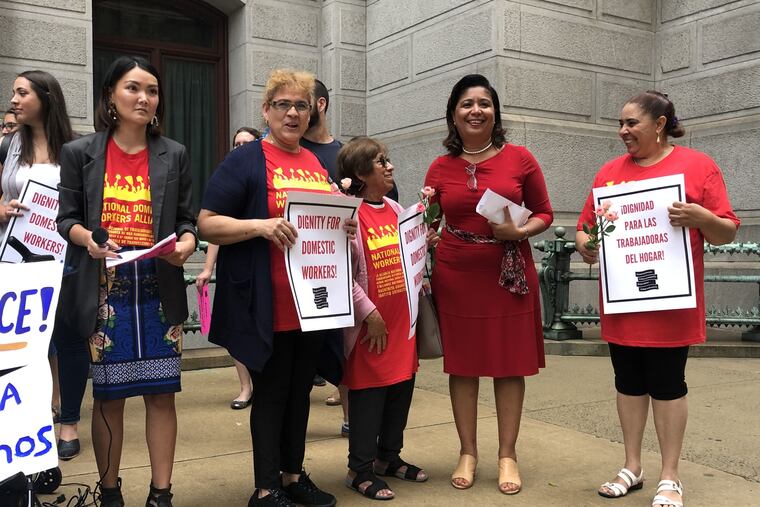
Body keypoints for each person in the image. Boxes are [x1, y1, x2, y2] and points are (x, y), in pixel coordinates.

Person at [198, 68, 356, 507]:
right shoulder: (246, 160)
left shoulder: (316, 163)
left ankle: (292, 475)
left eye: (301, 105)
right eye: (283, 104)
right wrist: (261, 226)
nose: (292, 112)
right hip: (266, 303)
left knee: (299, 392)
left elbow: (327, 222)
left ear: (312, 112)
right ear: (266, 111)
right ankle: (265, 488)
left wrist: (346, 223)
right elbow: (207, 223)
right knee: (270, 394)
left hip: (313, 304)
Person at [575, 91, 739, 507]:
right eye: (621, 123)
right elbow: (585, 228)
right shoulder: (609, 172)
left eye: (631, 123)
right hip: (625, 303)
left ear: (660, 124)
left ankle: (670, 476)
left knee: (667, 386)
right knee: (628, 383)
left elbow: (726, 230)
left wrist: (700, 217)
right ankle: (632, 467)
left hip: (671, 307)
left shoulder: (697, 166)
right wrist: (585, 245)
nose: (623, 132)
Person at [56, 56, 197, 507]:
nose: (144, 97)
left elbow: (187, 219)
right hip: (106, 295)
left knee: (161, 394)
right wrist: (88, 241)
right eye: (134, 88)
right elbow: (67, 220)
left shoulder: (173, 153)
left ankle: (161, 494)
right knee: (110, 398)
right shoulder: (80, 153)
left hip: (159, 290)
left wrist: (189, 243)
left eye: (152, 90)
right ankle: (111, 492)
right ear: (110, 95)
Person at [423, 74, 553, 495]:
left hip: (508, 272)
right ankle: (467, 451)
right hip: (456, 273)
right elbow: (432, 220)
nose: (475, 110)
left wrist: (520, 232)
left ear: (494, 113)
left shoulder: (521, 158)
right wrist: (426, 229)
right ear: (453, 115)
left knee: (509, 364)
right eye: (466, 104)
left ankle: (507, 455)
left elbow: (544, 213)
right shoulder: (440, 167)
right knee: (462, 365)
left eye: (484, 103)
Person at [338, 136, 434, 501]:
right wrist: (370, 313)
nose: (390, 166)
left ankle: (387, 458)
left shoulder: (396, 209)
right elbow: (340, 274)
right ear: (362, 173)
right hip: (370, 329)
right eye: (381, 161)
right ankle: (358, 470)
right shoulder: (347, 215)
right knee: (368, 396)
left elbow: (409, 258)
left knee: (400, 391)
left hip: (402, 326)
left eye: (387, 160)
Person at [0, 71, 84, 461]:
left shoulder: (76, 148)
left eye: (22, 93)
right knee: (24, 343)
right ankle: (28, 419)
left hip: (64, 261)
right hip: (16, 259)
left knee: (67, 339)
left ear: (45, 98)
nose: (13, 99)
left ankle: (68, 421)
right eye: (13, 93)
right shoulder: (8, 145)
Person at [196, 126, 260, 410]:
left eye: (248, 142)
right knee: (236, 327)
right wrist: (208, 269)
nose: (241, 147)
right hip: (234, 268)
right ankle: (245, 387)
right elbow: (213, 231)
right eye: (236, 143)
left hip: (261, 267)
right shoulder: (228, 180)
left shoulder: (263, 177)